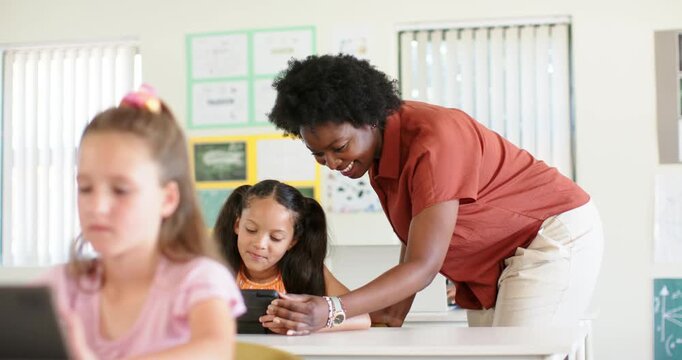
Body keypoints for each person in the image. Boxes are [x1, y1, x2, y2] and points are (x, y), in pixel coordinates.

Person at [265, 54, 604, 333]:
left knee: (515, 355)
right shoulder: (379, 156)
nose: (332, 163)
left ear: (369, 119)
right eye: (318, 155)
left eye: (339, 147)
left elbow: (424, 265)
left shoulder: (433, 140)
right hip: (498, 257)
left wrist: (332, 309)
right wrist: (391, 313)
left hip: (550, 236)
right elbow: (417, 241)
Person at [43, 85, 245, 359]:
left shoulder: (198, 279)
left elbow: (216, 349)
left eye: (121, 190)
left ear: (168, 198)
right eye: (86, 188)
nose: (97, 207)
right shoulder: (60, 285)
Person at [213, 179, 371, 334]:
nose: (260, 244)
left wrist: (307, 324)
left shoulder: (309, 270)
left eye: (276, 237)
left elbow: (362, 317)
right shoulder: (213, 269)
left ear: (292, 241)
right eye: (251, 229)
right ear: (237, 225)